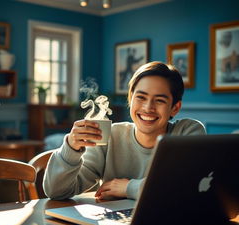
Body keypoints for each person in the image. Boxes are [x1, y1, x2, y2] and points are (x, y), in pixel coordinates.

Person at [43, 61, 206, 201]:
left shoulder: (187, 132)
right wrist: (71, 148)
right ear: (130, 99)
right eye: (141, 97)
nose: (148, 108)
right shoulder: (110, 137)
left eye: (160, 100)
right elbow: (56, 192)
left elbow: (186, 187)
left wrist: (128, 188)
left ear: (175, 108)